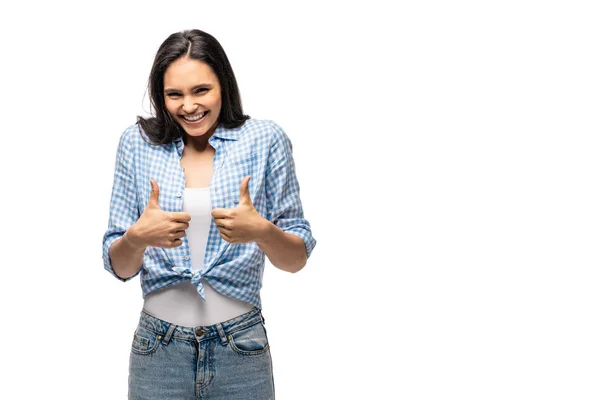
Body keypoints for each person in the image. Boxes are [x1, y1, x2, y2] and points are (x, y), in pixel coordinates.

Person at [101, 29, 317, 399]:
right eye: (174, 94)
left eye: (201, 90)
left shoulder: (265, 139)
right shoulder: (135, 144)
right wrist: (137, 238)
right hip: (158, 350)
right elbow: (119, 266)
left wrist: (262, 231)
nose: (188, 106)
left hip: (241, 347)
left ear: (224, 86)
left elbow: (296, 259)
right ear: (160, 95)